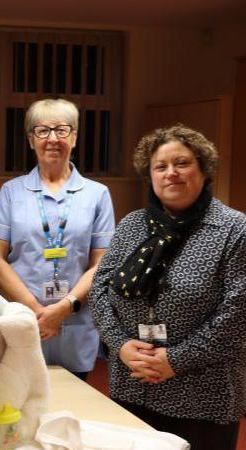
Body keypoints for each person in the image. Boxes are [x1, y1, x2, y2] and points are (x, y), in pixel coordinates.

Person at [88, 124, 245, 449]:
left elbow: (238, 317)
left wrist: (175, 359)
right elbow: (100, 291)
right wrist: (120, 345)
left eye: (182, 163)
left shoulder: (235, 230)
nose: (171, 173)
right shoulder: (132, 224)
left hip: (203, 399)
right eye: (161, 166)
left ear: (204, 169)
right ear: (150, 176)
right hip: (132, 386)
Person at [0, 99, 115, 380]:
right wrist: (37, 311)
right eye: (42, 131)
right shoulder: (11, 191)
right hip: (23, 318)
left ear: (75, 136)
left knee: (72, 406)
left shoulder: (97, 194)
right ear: (31, 140)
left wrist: (63, 308)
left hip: (75, 321)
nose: (52, 139)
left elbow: (101, 264)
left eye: (62, 130)